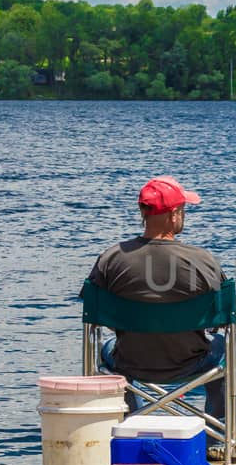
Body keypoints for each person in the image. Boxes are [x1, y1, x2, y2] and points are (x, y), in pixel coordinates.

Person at [89, 176, 228, 420]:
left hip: (128, 360)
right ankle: (215, 438)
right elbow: (229, 317)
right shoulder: (202, 260)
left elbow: (94, 313)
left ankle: (132, 425)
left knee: (103, 347)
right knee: (223, 346)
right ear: (173, 215)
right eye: (183, 210)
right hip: (191, 361)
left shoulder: (111, 258)